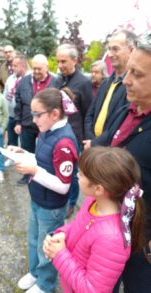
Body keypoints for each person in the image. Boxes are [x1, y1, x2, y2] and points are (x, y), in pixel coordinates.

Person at [83, 31, 151, 293]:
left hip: (141, 244)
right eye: (127, 72)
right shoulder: (126, 110)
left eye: (137, 74)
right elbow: (104, 146)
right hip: (108, 231)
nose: (126, 81)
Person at [43, 146, 145, 293]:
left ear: (99, 189)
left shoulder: (111, 238)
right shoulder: (93, 201)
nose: (77, 175)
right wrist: (63, 234)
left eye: (82, 174)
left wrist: (60, 255)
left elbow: (93, 290)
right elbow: (79, 225)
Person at [10, 87, 78, 293]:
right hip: (38, 198)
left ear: (55, 114)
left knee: (46, 246)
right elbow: (43, 160)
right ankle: (35, 272)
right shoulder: (47, 131)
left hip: (52, 206)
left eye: (37, 114)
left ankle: (46, 283)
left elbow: (64, 185)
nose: (33, 120)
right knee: (33, 239)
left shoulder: (64, 142)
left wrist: (34, 171)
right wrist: (25, 153)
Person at [55, 43, 93, 218]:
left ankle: (71, 203)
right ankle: (60, 196)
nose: (60, 65)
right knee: (59, 168)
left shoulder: (84, 82)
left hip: (75, 137)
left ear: (75, 60)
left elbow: (88, 112)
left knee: (72, 171)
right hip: (57, 133)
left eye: (63, 61)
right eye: (58, 61)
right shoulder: (58, 80)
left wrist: (86, 139)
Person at [84, 30, 137, 144]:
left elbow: (123, 122)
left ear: (132, 50)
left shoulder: (133, 86)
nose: (110, 54)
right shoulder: (105, 83)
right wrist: (91, 139)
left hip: (111, 152)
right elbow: (90, 114)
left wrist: (95, 143)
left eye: (115, 49)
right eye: (109, 49)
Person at [14, 54, 56, 185]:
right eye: (34, 68)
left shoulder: (55, 82)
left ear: (47, 67)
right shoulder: (25, 81)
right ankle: (27, 176)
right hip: (27, 123)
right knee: (26, 150)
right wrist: (18, 122)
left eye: (39, 68)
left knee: (45, 152)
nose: (36, 71)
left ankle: (43, 175)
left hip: (47, 125)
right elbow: (18, 102)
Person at [3, 54, 28, 167]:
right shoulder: (10, 78)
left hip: (24, 117)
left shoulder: (29, 78)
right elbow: (5, 95)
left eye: (15, 65)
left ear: (23, 66)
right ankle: (11, 158)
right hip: (11, 115)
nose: (12, 68)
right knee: (11, 138)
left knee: (25, 141)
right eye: (12, 65)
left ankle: (24, 160)